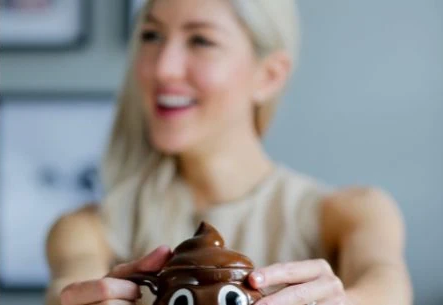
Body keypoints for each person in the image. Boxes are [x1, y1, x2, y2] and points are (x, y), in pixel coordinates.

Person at [45, 0, 413, 304]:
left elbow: (385, 285)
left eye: (201, 41)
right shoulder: (88, 230)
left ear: (268, 75)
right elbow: (70, 282)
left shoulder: (354, 213)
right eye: (151, 35)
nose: (163, 68)